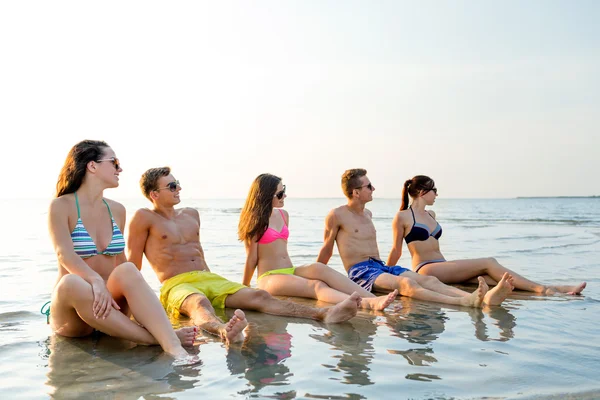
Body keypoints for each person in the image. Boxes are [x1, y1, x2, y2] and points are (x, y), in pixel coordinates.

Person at [126, 167, 360, 346]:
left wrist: (226, 282)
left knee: (259, 295)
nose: (179, 189)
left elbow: (199, 252)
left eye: (177, 184)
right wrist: (135, 307)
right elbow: (133, 264)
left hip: (209, 277)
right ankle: (223, 331)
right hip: (176, 283)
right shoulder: (143, 217)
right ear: (154, 194)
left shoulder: (191, 214)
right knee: (199, 303)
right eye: (172, 186)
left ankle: (324, 314)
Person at [48, 140, 197, 364]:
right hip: (74, 315)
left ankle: (174, 348)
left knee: (127, 268)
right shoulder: (61, 206)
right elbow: (64, 254)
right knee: (72, 282)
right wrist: (95, 280)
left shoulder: (116, 210)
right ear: (92, 166)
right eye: (114, 162)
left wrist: (149, 317)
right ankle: (161, 340)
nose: (120, 169)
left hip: (111, 309)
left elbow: (124, 268)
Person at [317, 168, 515, 308]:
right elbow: (327, 249)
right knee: (407, 285)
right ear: (356, 192)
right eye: (369, 186)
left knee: (429, 280)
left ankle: (483, 298)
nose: (373, 189)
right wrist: (317, 275)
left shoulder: (368, 214)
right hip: (361, 272)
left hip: (381, 266)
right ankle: (462, 302)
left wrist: (388, 269)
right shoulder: (337, 215)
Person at [387, 175, 587, 295]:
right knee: (489, 262)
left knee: (497, 281)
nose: (437, 194)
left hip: (444, 267)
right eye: (434, 190)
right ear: (422, 192)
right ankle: (542, 290)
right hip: (427, 270)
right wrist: (385, 274)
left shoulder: (431, 214)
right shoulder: (403, 216)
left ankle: (557, 289)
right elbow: (396, 250)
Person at [238, 173, 398, 311]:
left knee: (320, 268)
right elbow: (251, 259)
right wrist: (244, 289)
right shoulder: (256, 221)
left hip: (290, 270)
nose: (284, 196)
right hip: (269, 277)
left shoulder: (283, 215)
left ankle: (374, 298)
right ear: (266, 196)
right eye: (280, 194)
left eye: (284, 190)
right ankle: (365, 304)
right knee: (317, 286)